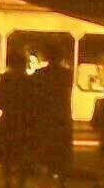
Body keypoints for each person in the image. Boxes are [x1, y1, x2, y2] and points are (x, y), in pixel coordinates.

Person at [29, 43, 72, 185]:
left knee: (44, 155)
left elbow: (34, 97)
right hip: (61, 117)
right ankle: (61, 183)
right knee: (61, 156)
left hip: (44, 118)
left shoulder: (39, 75)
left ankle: (44, 183)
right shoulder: (66, 74)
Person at [0, 46, 32, 188]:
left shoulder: (5, 79)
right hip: (25, 124)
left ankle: (6, 181)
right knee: (21, 159)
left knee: (6, 158)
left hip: (8, 122)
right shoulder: (29, 81)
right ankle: (20, 183)